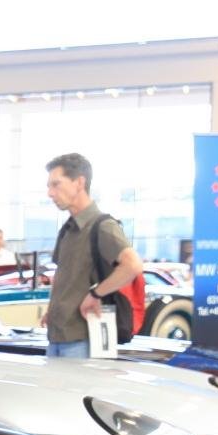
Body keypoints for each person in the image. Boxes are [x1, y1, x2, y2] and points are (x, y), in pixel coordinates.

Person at [42, 152, 142, 358]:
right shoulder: (68, 229)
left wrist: (96, 294)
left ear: (79, 182)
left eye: (56, 184)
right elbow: (64, 276)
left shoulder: (103, 226)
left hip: (84, 338)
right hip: (58, 335)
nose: (50, 193)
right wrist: (53, 310)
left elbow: (132, 265)